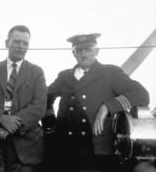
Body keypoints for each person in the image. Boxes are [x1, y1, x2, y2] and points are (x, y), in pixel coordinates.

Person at [46, 33, 150, 172]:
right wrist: (49, 123)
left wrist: (107, 107)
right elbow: (45, 98)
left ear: (97, 51)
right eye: (79, 50)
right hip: (65, 151)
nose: (83, 54)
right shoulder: (64, 76)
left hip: (98, 153)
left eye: (88, 49)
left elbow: (141, 94)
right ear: (73, 53)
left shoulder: (110, 73)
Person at [0, 25, 47, 172]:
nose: (21, 46)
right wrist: (1, 118)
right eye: (16, 42)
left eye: (25, 43)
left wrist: (11, 126)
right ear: (7, 43)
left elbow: (39, 106)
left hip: (25, 144)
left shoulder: (36, 72)